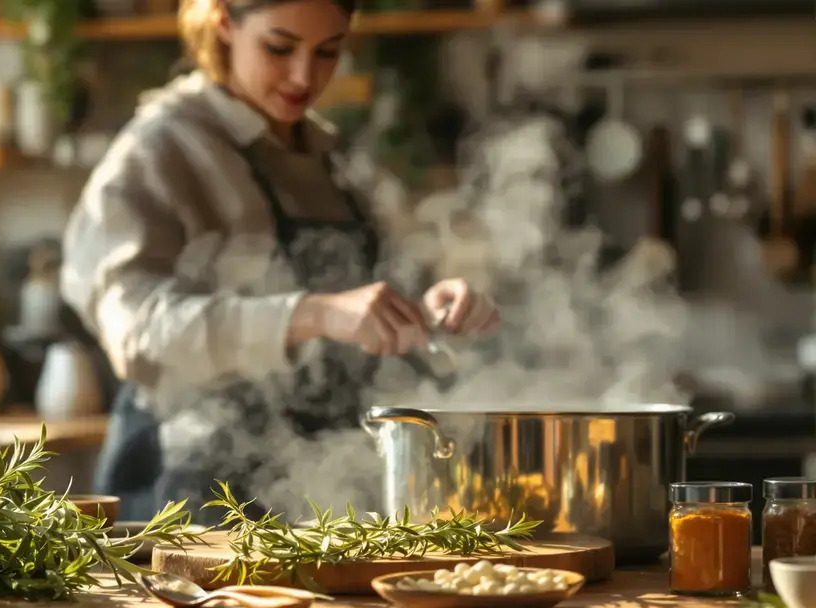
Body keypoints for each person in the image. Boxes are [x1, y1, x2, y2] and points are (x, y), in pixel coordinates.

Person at [60, 0, 500, 524]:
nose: (303, 76)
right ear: (225, 21)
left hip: (321, 481)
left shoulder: (327, 156)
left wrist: (421, 311)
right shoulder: (158, 151)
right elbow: (137, 333)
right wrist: (313, 313)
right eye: (279, 48)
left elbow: (358, 309)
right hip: (191, 493)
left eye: (327, 52)